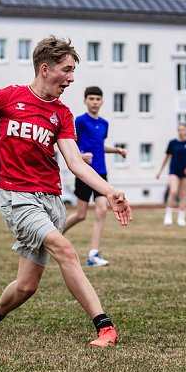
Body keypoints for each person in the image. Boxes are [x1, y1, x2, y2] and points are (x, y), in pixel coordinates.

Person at [0, 35, 133, 348]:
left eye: (74, 71)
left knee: (26, 286)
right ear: (45, 69)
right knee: (66, 250)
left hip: (51, 201)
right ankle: (105, 327)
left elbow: (75, 163)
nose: (72, 78)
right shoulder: (9, 97)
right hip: (17, 198)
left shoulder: (62, 114)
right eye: (67, 69)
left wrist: (110, 190)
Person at [61, 86, 127, 267]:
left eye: (97, 99)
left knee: (102, 210)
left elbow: (100, 146)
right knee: (81, 215)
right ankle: (54, 238)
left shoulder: (104, 124)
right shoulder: (80, 122)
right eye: (91, 99)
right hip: (84, 173)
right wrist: (80, 156)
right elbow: (69, 144)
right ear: (85, 101)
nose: (94, 102)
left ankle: (93, 255)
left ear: (102, 102)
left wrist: (117, 150)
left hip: (101, 173)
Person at [156, 123, 186, 226]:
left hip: (185, 172)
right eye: (179, 129)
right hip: (174, 171)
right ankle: (168, 216)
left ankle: (181, 218)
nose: (181, 131)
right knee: (173, 191)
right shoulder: (172, 143)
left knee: (183, 193)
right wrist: (160, 172)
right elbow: (166, 158)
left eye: (182, 129)